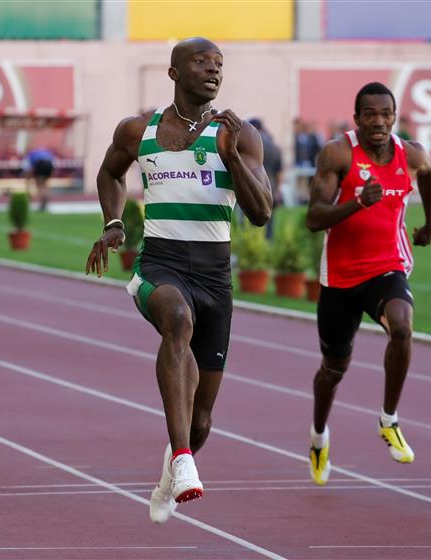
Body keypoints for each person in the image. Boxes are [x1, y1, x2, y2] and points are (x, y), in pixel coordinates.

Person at [84, 37, 272, 523]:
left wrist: (230, 159)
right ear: (173, 73)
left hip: (215, 279)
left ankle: (172, 470)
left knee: (202, 419)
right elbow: (109, 174)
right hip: (160, 266)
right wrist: (113, 223)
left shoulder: (241, 135)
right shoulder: (136, 131)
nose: (213, 70)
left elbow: (262, 213)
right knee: (178, 319)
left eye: (219, 64)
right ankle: (185, 462)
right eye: (201, 61)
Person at [305, 82, 431, 485]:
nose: (378, 122)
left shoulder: (411, 155)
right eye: (370, 115)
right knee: (333, 368)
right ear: (357, 117)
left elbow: (429, 176)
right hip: (341, 277)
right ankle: (318, 436)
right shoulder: (338, 153)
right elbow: (314, 218)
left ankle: (389, 418)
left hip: (388, 266)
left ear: (394, 116)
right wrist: (357, 202)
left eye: (386, 114)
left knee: (402, 327)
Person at [248, 117, 282, 238]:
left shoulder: (249, 142)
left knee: (250, 223)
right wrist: (278, 189)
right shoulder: (273, 145)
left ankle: (252, 247)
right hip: (271, 187)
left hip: (252, 186)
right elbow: (279, 171)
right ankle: (268, 248)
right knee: (269, 223)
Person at [23, 147, 56, 211]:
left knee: (40, 185)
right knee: (44, 185)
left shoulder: (29, 155)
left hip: (41, 164)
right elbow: (53, 162)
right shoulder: (45, 152)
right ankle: (45, 200)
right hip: (49, 165)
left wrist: (28, 183)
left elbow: (27, 170)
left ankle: (43, 202)